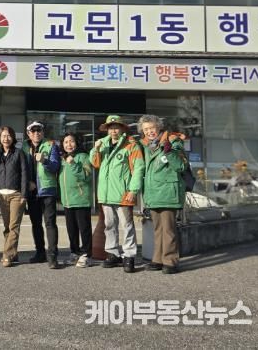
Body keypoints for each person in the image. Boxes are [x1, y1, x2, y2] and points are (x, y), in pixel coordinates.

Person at [90, 114, 144, 273]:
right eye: (110, 128)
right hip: (106, 194)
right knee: (109, 225)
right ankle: (112, 253)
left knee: (127, 225)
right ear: (107, 130)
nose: (113, 131)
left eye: (116, 128)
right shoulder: (103, 144)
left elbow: (138, 168)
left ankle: (129, 256)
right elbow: (95, 163)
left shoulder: (131, 145)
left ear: (122, 129)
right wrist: (95, 148)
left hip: (123, 193)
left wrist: (133, 190)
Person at [138, 115, 186, 274]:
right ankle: (158, 259)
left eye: (152, 128)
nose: (149, 131)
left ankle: (171, 261)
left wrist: (169, 151)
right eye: (146, 129)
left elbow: (181, 166)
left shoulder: (173, 141)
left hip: (168, 192)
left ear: (159, 127)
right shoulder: (145, 145)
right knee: (158, 229)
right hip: (153, 193)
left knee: (168, 229)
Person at [22, 120, 61, 269]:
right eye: (33, 131)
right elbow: (22, 169)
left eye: (39, 130)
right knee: (36, 224)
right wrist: (27, 183)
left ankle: (52, 256)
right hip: (32, 191)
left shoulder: (51, 145)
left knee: (50, 223)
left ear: (43, 132)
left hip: (47, 190)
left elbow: (55, 166)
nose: (36, 133)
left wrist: (44, 160)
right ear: (28, 133)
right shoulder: (24, 147)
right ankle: (40, 253)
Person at [0, 126, 28, 268]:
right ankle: (13, 253)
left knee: (13, 226)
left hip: (16, 195)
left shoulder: (19, 153)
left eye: (9, 135)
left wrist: (24, 195)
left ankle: (7, 255)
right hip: (2, 195)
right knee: (7, 227)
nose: (6, 138)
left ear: (13, 138)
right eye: (3, 136)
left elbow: (24, 174)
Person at [58, 132, 94, 268]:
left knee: (84, 229)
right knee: (71, 230)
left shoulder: (83, 157)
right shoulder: (63, 159)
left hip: (81, 199)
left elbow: (86, 176)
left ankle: (86, 255)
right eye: (66, 142)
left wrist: (73, 163)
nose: (69, 144)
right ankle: (74, 252)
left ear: (77, 143)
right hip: (67, 201)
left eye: (71, 141)